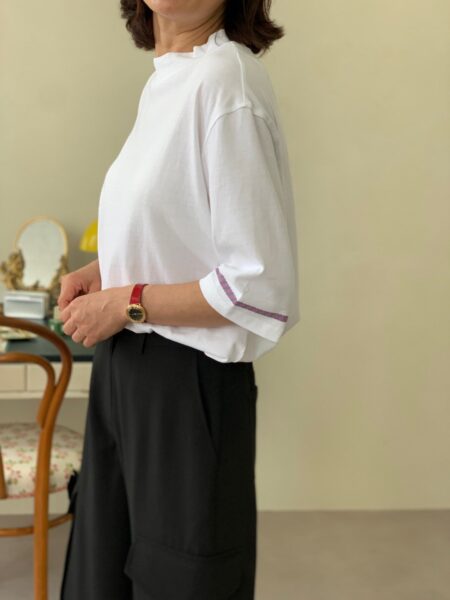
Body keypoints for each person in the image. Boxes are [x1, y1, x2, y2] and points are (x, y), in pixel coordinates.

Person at [58, 1, 300, 598]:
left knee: (182, 583)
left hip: (185, 385)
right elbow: (184, 232)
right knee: (102, 572)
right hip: (127, 369)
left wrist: (127, 302)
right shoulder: (171, 79)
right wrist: (107, 272)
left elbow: (256, 284)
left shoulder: (226, 84)